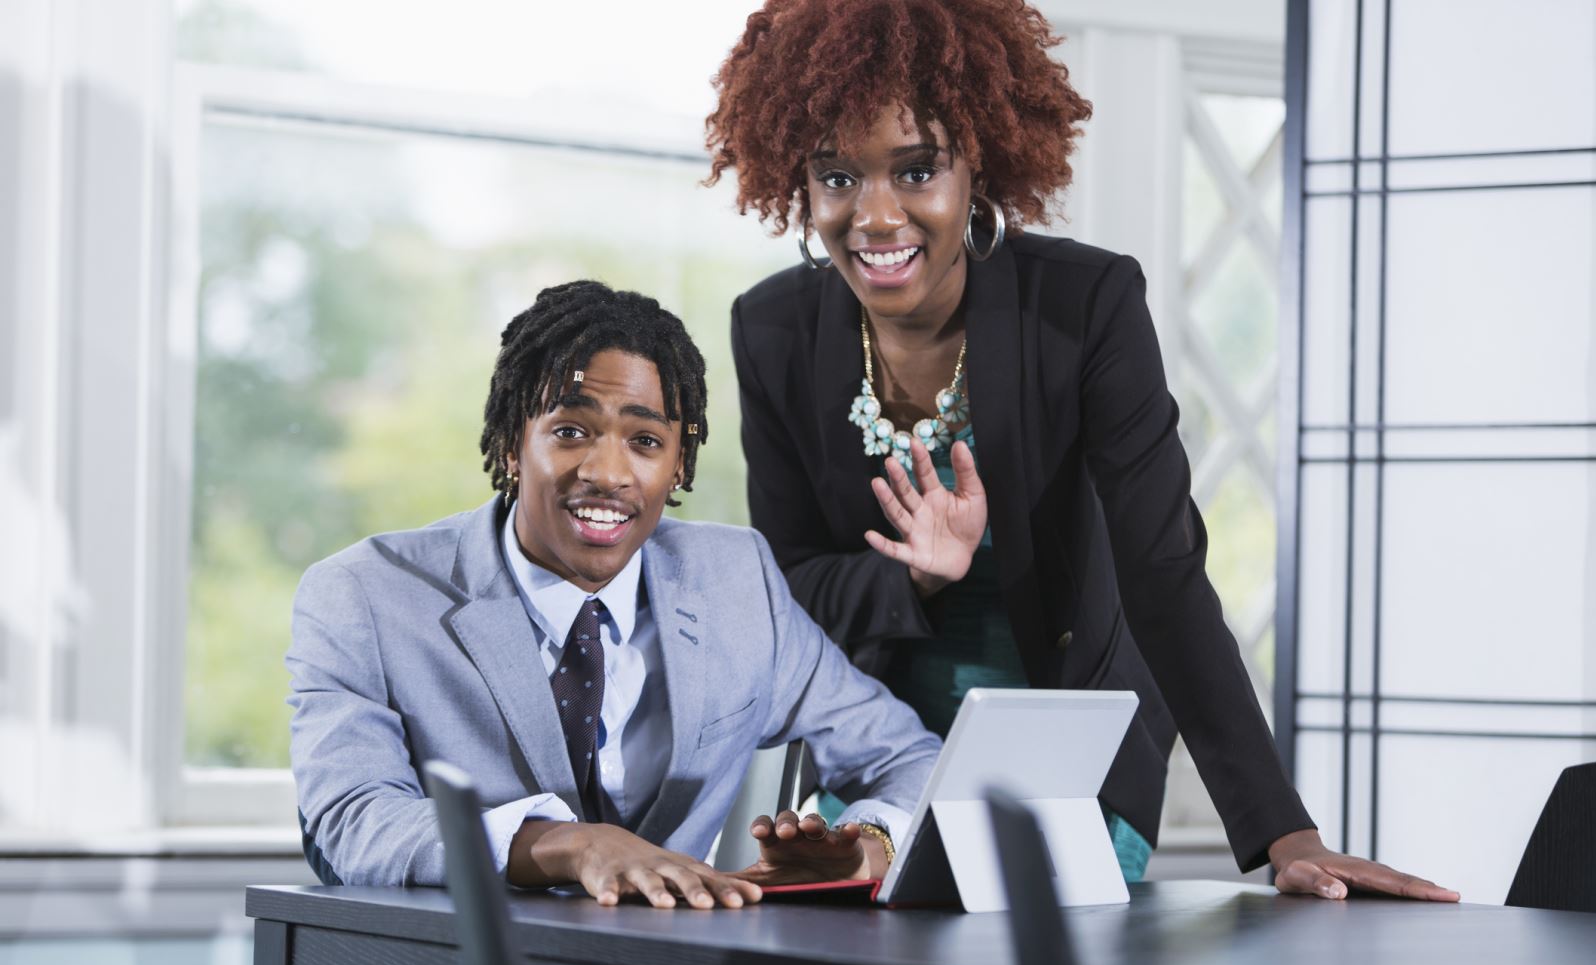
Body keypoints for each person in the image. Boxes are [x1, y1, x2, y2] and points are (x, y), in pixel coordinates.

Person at [705, 0, 1456, 900]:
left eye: (915, 169)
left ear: (976, 160)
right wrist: (914, 579)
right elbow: (789, 586)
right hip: (878, 752)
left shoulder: (1085, 307)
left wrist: (1282, 832)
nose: (875, 216)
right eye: (836, 176)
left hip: (1073, 744)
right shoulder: (774, 330)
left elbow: (1164, 570)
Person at [289, 279, 940, 907]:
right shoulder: (364, 597)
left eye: (646, 441)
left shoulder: (737, 582)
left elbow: (911, 760)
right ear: (515, 442)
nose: (607, 473)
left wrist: (870, 848)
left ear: (679, 463)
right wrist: (570, 845)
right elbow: (351, 820)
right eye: (570, 431)